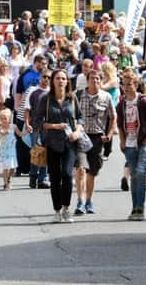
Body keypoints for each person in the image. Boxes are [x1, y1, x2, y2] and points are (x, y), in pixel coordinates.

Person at [33, 69, 84, 223]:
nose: (60, 81)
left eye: (63, 78)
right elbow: (37, 121)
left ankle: (66, 209)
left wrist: (77, 131)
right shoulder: (46, 99)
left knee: (68, 176)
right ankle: (57, 211)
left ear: (67, 81)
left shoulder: (72, 98)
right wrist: (54, 126)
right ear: (52, 81)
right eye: (57, 78)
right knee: (55, 178)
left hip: (70, 143)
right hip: (52, 143)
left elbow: (80, 118)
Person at [116, 69, 146, 221]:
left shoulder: (143, 101)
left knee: (140, 172)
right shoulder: (122, 105)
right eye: (124, 85)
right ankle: (135, 208)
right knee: (134, 176)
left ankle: (141, 207)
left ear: (136, 85)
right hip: (130, 143)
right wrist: (122, 140)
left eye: (129, 84)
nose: (126, 87)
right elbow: (120, 124)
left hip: (145, 142)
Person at [76, 69, 116, 215]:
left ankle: (89, 200)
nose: (95, 81)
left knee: (92, 172)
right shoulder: (78, 95)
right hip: (81, 136)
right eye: (92, 79)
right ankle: (79, 201)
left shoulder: (106, 97)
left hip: (97, 138)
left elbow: (113, 116)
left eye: (98, 79)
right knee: (81, 170)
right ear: (87, 80)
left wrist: (110, 134)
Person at [0, 109, 24, 190]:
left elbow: (20, 134)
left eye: (5, 118)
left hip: (12, 150)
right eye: (1, 118)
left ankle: (9, 178)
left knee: (13, 168)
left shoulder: (13, 126)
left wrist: (27, 131)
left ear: (9, 118)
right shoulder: (0, 127)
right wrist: (5, 132)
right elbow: (1, 132)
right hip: (5, 150)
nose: (3, 120)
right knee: (6, 167)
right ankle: (5, 183)